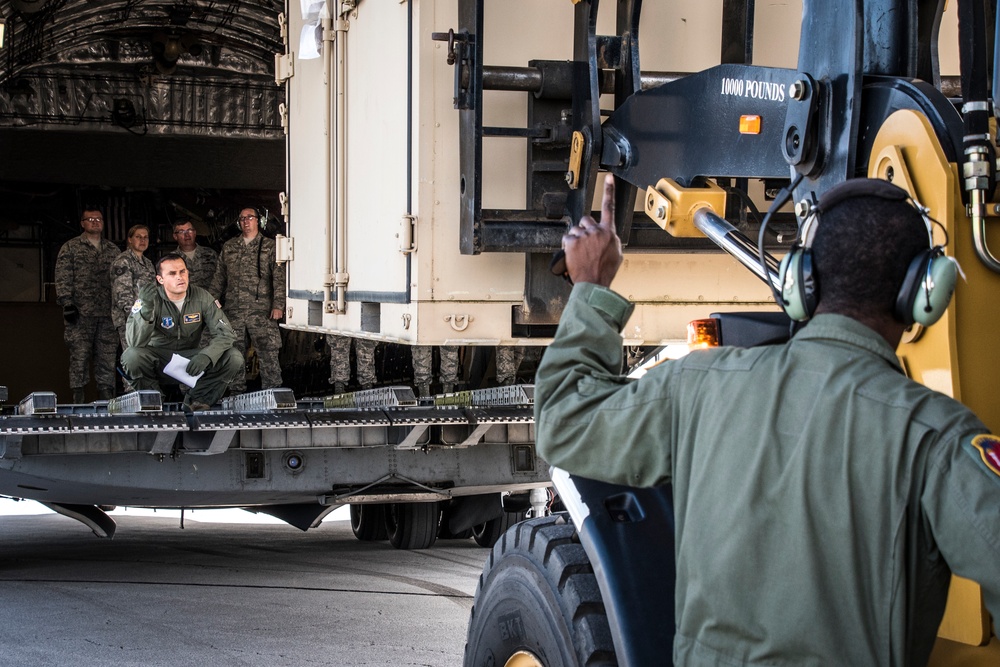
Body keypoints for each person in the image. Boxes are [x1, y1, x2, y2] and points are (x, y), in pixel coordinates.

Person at [534, 175, 1000, 666]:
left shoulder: (700, 387)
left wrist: (591, 287)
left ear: (802, 282)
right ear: (923, 294)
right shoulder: (938, 439)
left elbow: (564, 420)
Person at [121, 253, 242, 410]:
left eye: (182, 271)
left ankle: (198, 401)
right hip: (159, 360)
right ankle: (153, 402)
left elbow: (226, 333)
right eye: (172, 273)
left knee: (234, 357)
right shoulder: (150, 298)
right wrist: (145, 308)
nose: (180, 277)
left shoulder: (202, 297)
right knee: (131, 356)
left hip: (190, 360)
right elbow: (134, 343)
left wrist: (207, 355)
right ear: (160, 279)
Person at [210, 207, 286, 394]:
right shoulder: (230, 247)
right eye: (242, 218)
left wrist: (278, 305)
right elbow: (220, 278)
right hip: (234, 310)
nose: (246, 221)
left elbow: (279, 278)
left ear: (257, 221)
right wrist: (210, 302)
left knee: (268, 351)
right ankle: (236, 392)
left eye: (250, 217)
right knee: (234, 352)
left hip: (261, 310)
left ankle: (273, 390)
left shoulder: (270, 246)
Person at [54, 207, 122, 403]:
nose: (95, 222)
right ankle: (78, 396)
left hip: (107, 315)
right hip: (80, 313)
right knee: (79, 356)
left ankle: (106, 395)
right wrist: (67, 302)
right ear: (82, 223)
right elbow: (63, 276)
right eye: (90, 219)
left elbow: (119, 281)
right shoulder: (71, 247)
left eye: (99, 219)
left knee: (107, 357)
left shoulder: (113, 250)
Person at [110, 224, 154, 347]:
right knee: (134, 357)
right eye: (138, 237)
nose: (143, 240)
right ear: (130, 239)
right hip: (130, 320)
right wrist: (136, 317)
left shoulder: (148, 263)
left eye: (146, 237)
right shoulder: (123, 261)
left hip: (147, 319)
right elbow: (122, 296)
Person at [171, 219, 218, 291]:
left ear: (195, 233)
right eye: (181, 232)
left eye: (190, 230)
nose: (187, 235)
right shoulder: (170, 259)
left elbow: (221, 279)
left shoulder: (210, 254)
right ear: (175, 236)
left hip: (208, 300)